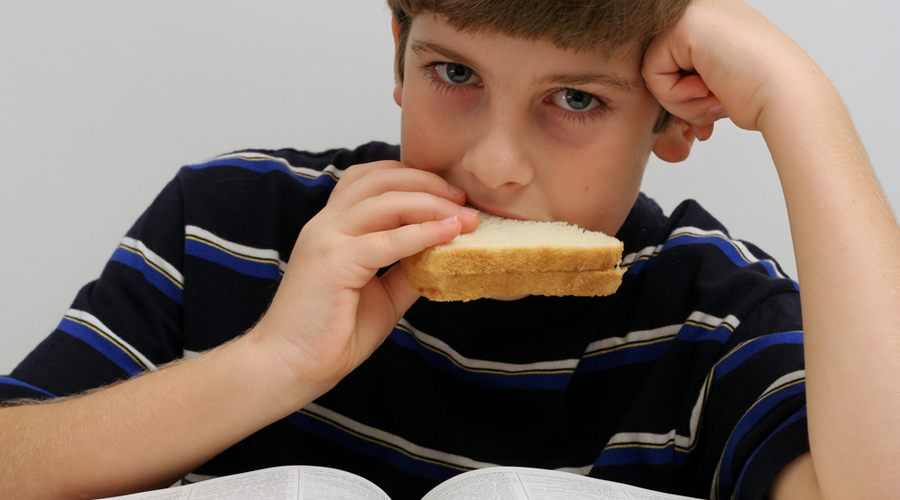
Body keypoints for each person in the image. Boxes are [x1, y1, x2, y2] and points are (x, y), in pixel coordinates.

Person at [1, 0, 898, 499]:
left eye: (576, 100)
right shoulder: (233, 221)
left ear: (674, 117)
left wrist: (795, 100)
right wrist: (270, 363)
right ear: (400, 53)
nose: (495, 164)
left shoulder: (711, 310)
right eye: (456, 75)